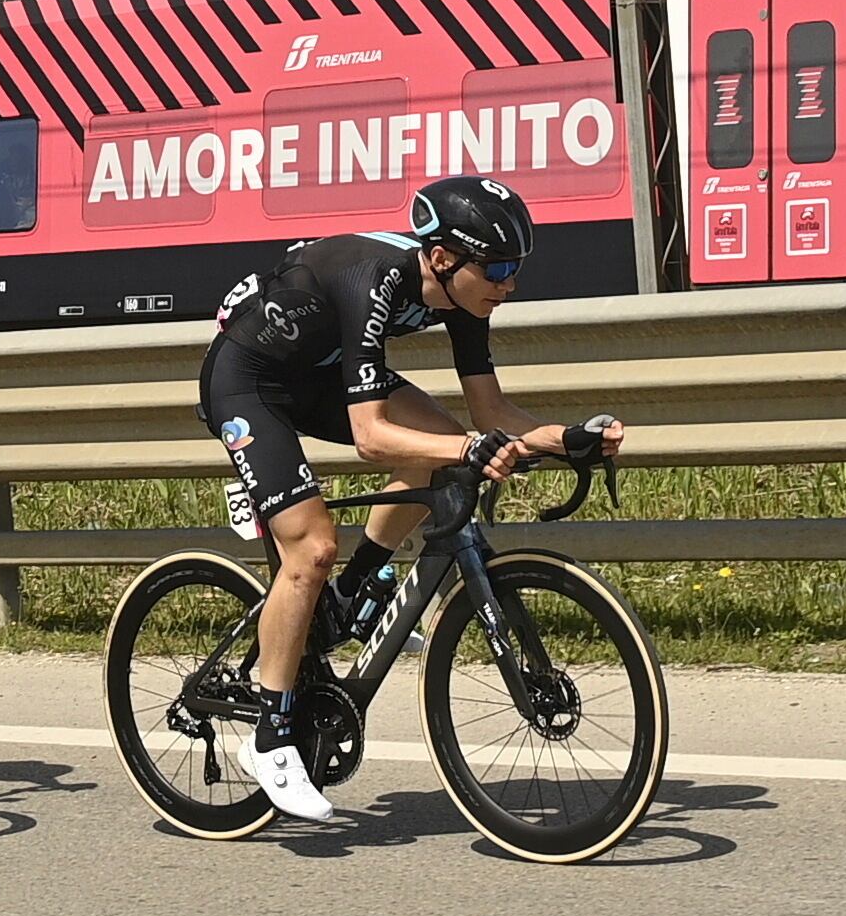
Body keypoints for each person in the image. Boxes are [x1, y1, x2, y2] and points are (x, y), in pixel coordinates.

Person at [195, 175, 615, 823]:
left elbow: (490, 412)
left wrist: (569, 438)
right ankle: (272, 735)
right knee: (312, 546)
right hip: (249, 381)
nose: (510, 283)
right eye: (498, 268)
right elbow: (369, 437)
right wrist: (472, 449)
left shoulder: (463, 299)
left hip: (317, 375)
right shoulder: (376, 277)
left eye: (516, 269)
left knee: (444, 441)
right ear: (444, 258)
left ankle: (357, 589)